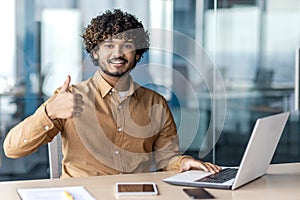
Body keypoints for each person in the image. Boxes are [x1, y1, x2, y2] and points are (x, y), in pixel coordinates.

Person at [3, 9, 220, 178]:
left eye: (126, 45)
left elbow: (167, 158)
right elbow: (12, 149)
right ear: (95, 54)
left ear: (137, 55)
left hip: (136, 196)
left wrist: (182, 163)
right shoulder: (69, 97)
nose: (117, 53)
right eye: (108, 45)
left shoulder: (156, 103)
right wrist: (49, 112)